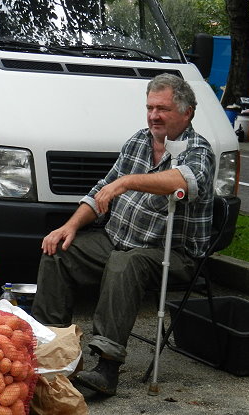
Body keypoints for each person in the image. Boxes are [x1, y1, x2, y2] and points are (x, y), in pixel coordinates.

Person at [31, 74, 215, 396]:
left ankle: (107, 367)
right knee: (59, 250)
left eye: (163, 109)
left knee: (124, 263)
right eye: (150, 108)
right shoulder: (139, 141)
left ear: (187, 113)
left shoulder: (198, 150)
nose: (154, 115)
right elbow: (102, 190)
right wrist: (71, 225)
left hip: (171, 253)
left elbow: (184, 181)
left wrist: (127, 182)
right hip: (117, 239)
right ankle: (51, 350)